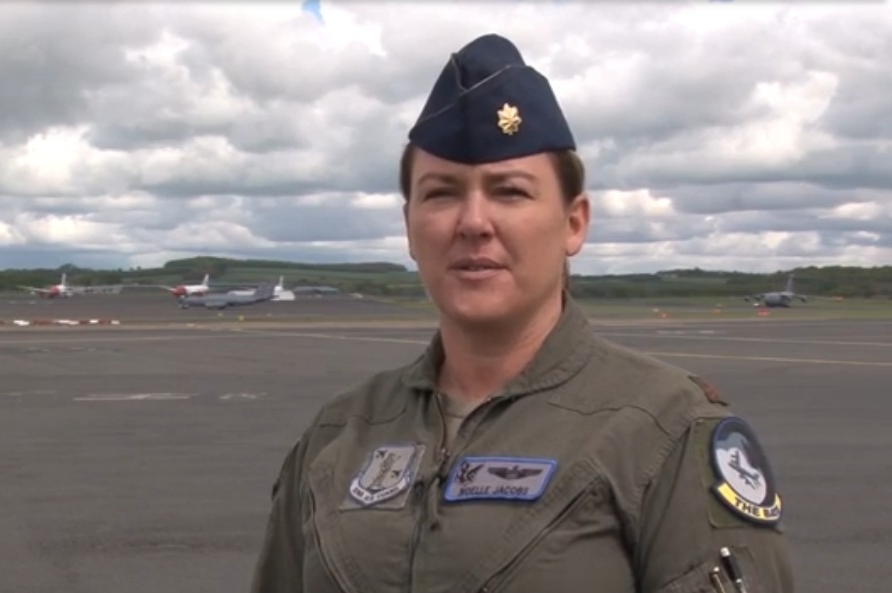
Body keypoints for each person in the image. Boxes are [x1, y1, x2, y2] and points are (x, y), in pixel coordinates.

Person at [250, 33, 795, 593]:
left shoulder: (664, 430)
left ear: (574, 223)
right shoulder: (342, 434)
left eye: (509, 191)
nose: (473, 222)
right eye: (441, 194)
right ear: (409, 226)